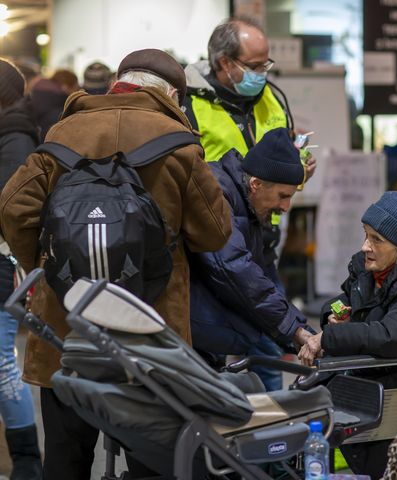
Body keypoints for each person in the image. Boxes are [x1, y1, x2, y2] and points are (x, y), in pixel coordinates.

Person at [0, 48, 232, 480]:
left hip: (66, 329)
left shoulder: (62, 133)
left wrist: (46, 265)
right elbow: (215, 231)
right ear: (172, 95)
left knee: (66, 461)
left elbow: (14, 207)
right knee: (154, 463)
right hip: (151, 333)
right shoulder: (179, 145)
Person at [185, 15, 316, 390]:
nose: (264, 73)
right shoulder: (188, 102)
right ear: (225, 62)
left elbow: (282, 167)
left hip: (260, 238)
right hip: (212, 244)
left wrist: (299, 172)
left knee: (264, 350)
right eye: (256, 66)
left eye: (267, 64)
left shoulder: (273, 99)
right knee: (218, 349)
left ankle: (269, 433)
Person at [298, 191, 397, 479]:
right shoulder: (373, 271)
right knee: (298, 400)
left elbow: (391, 335)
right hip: (361, 374)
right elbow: (344, 298)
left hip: (388, 385)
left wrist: (328, 338)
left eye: (376, 240)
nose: (365, 246)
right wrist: (332, 316)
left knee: (303, 413)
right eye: (365, 235)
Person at [189, 127, 312, 373]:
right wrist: (295, 330)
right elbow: (234, 267)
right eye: (283, 196)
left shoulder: (247, 204)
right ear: (256, 184)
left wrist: (297, 330)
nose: (286, 207)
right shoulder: (217, 193)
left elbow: (258, 274)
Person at [0, 59, 42, 480]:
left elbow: (7, 205)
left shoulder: (15, 137)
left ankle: (27, 457)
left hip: (0, 263)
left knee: (0, 363)